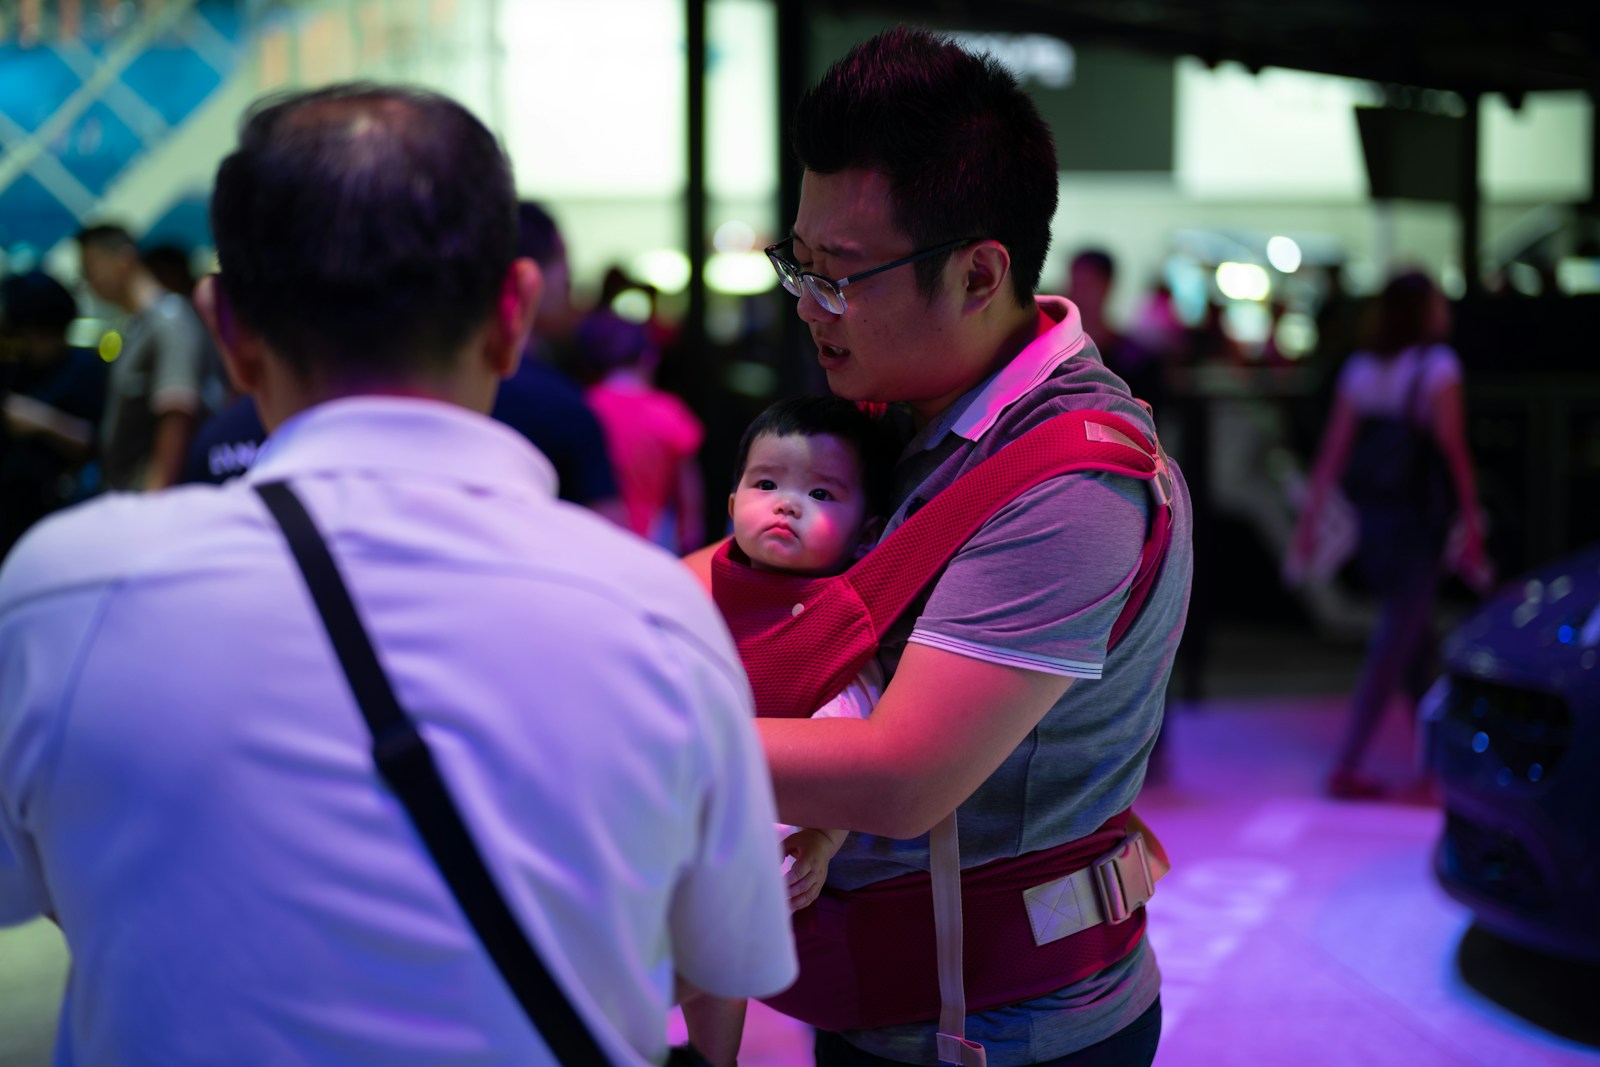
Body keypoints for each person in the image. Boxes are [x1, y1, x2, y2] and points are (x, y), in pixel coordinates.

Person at [0, 82, 796, 1064]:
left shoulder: (63, 595)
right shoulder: (657, 613)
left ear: (229, 327)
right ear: (514, 311)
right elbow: (721, 952)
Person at [688, 26, 1194, 1066]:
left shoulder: (1072, 477)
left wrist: (615, 739)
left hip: (1008, 1033)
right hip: (883, 997)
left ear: (977, 273)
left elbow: (900, 775)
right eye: (801, 263)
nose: (811, 307)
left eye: (843, 274)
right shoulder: (915, 412)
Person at [682, 395, 895, 1067]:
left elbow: (853, 744)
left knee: (724, 939)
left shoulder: (844, 620)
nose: (786, 503)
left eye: (822, 492)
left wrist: (823, 839)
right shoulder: (691, 586)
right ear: (731, 499)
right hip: (669, 813)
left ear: (867, 529)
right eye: (766, 483)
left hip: (766, 834)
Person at [1290, 268, 1490, 800]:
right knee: (1396, 643)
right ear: (1422, 311)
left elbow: (1333, 453)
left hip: (1376, 522)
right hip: (1418, 523)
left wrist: (1309, 525)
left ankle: (1435, 766)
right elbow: (1454, 452)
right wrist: (1471, 522)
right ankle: (1351, 763)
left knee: (1414, 645)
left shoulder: (1362, 369)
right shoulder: (1438, 367)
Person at [491, 202, 627, 521]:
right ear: (529, 279)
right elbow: (609, 529)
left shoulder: (452, 388)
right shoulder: (562, 405)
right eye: (565, 267)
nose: (570, 286)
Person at [75, 223, 223, 491]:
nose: (89, 279)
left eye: (91, 267)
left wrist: (156, 501)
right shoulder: (139, 325)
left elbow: (177, 409)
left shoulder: (168, 320)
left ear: (124, 259)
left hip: (147, 498)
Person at [577, 308, 706, 552]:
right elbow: (687, 483)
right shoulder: (669, 411)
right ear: (649, 357)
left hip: (591, 537)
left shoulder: (584, 406)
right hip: (652, 539)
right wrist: (690, 525)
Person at [0, 270, 107, 556]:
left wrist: (39, 420)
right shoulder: (15, 368)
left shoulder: (84, 369)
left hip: (58, 509)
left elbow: (96, 441)